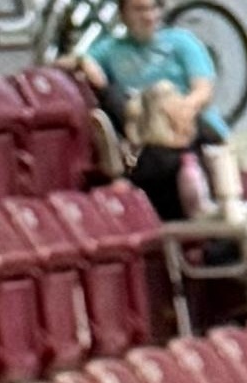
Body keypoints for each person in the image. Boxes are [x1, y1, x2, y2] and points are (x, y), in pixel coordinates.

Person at [84, 0, 219, 224]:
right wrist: (83, 62)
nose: (148, 16)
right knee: (112, 96)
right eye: (139, 9)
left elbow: (203, 90)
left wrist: (179, 109)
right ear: (123, 15)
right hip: (145, 131)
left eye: (152, 8)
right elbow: (72, 63)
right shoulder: (110, 49)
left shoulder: (181, 42)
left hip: (185, 125)